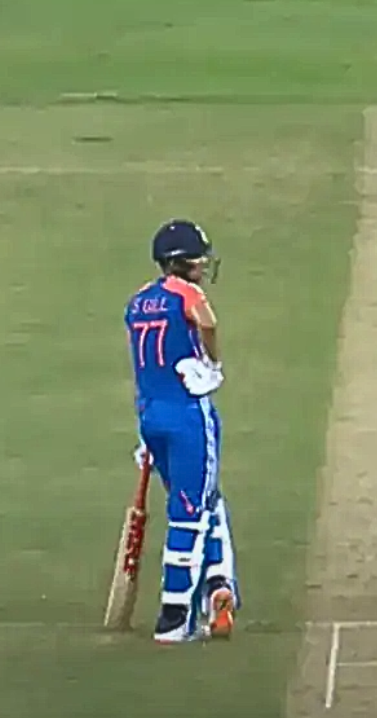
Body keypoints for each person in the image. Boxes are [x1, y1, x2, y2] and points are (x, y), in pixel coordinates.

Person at [125, 219, 241, 643]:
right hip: (188, 415)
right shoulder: (185, 293)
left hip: (151, 415)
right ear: (181, 261)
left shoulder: (138, 301)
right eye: (198, 259)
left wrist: (146, 432)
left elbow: (143, 363)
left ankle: (216, 584)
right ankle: (175, 617)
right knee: (190, 514)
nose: (203, 266)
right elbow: (206, 322)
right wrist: (212, 364)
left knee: (204, 499)